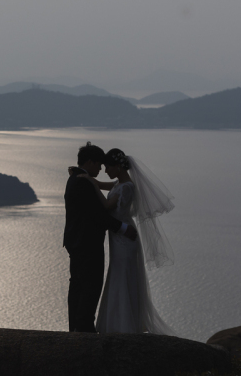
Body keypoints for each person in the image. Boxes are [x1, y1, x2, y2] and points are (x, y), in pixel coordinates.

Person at [75, 148, 176, 335]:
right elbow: (103, 185)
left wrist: (92, 185)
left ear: (119, 167)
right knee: (117, 275)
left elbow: (106, 205)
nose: (105, 170)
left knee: (122, 277)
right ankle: (116, 323)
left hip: (124, 239)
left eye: (108, 167)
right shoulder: (119, 183)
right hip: (119, 238)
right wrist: (89, 180)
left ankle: (124, 326)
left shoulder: (127, 187)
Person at [63, 142, 138, 333]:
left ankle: (77, 327)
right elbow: (98, 214)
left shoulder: (77, 178)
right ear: (90, 162)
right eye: (99, 165)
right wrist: (122, 228)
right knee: (90, 286)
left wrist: (93, 181)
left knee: (78, 285)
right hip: (87, 243)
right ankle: (85, 327)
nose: (101, 169)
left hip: (77, 241)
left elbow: (99, 205)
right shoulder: (82, 182)